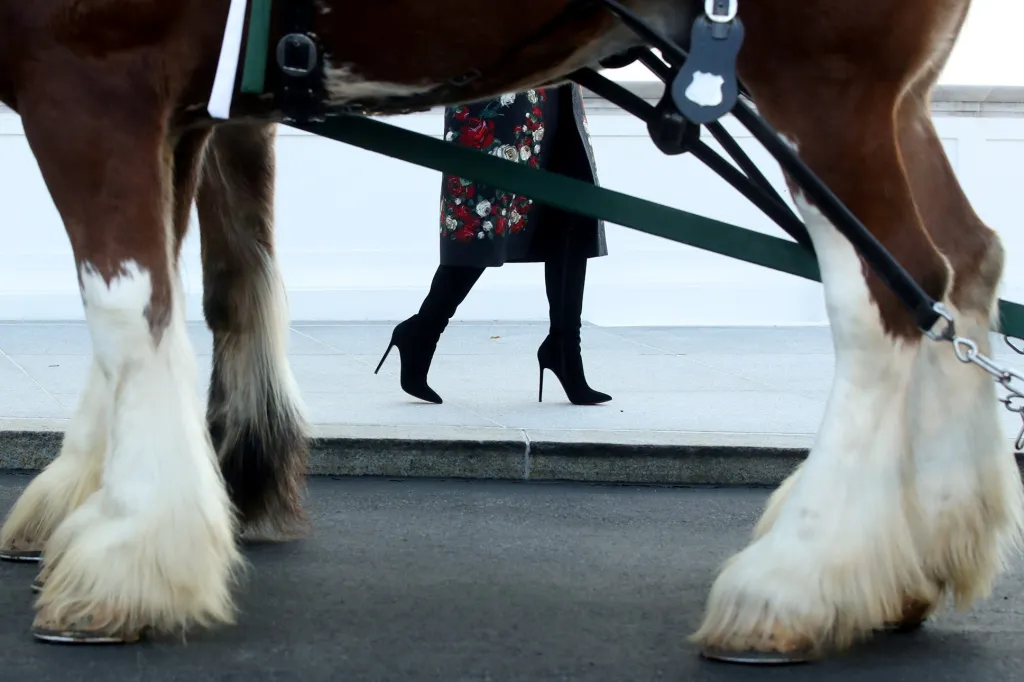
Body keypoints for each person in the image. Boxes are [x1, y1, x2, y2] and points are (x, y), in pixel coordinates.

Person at [375, 83, 611, 405]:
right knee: (483, 219)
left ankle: (565, 347)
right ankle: (423, 331)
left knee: (572, 207)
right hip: (499, 71)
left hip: (558, 72)